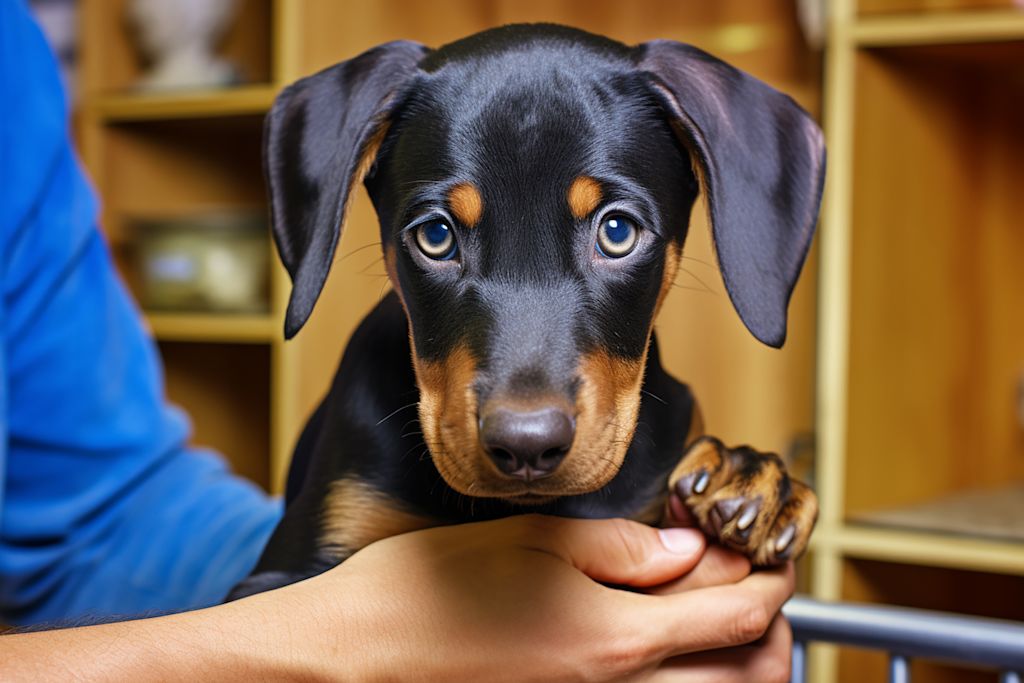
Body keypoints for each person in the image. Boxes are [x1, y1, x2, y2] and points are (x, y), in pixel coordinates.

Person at [0, 3, 794, 680]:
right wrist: (360, 629)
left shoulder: (670, 437)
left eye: (616, 230)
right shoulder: (373, 443)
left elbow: (96, 517)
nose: (524, 422)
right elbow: (273, 599)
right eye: (439, 235)